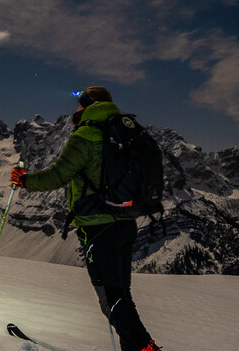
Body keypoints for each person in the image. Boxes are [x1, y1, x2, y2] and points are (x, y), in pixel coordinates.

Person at [9, 86, 162, 351]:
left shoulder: (86, 136)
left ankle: (145, 347)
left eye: (80, 102)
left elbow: (57, 176)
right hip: (126, 223)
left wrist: (24, 181)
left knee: (111, 300)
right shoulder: (126, 134)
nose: (76, 107)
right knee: (121, 295)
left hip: (99, 228)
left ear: (89, 105)